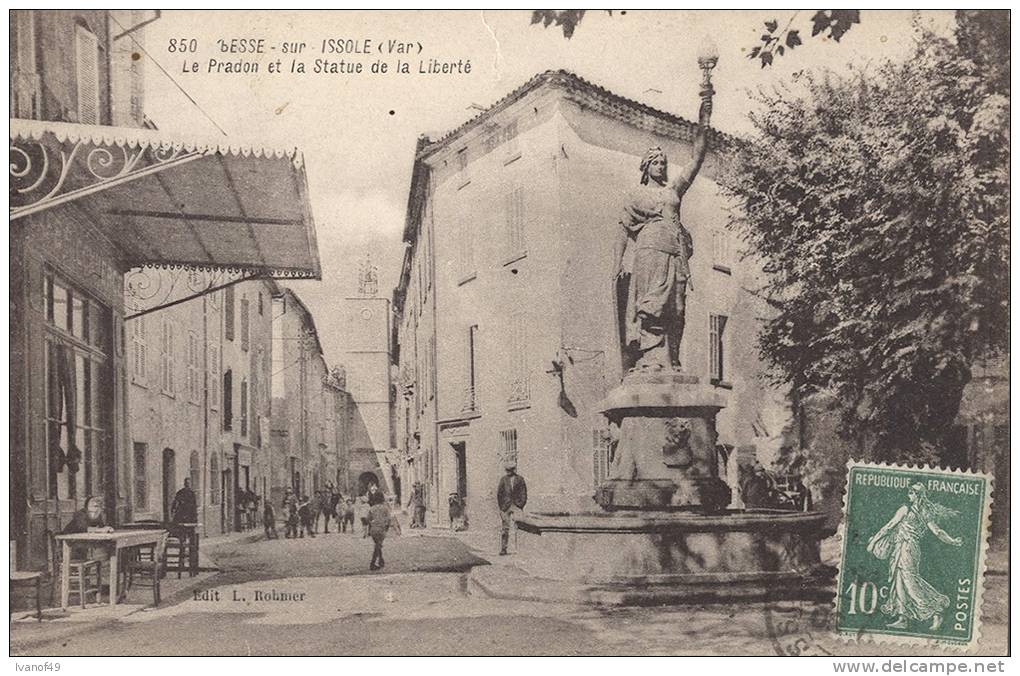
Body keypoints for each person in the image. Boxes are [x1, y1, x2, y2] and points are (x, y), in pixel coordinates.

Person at [612, 72, 714, 372]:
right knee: (651, 309)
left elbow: (696, 159)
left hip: (675, 255)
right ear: (646, 167)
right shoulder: (636, 195)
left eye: (664, 163)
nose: (661, 166)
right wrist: (616, 263)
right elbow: (622, 228)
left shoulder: (673, 191)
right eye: (656, 163)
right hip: (649, 254)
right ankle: (649, 360)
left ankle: (673, 359)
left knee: (678, 309)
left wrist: (704, 114)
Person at [867, 483, 962, 631]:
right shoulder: (924, 512)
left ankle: (936, 611)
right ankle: (903, 618)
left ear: (918, 495)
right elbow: (937, 532)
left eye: (911, 493)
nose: (908, 495)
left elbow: (889, 526)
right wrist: (952, 541)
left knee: (910, 581)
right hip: (902, 548)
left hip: (907, 548)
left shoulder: (907, 510)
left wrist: (873, 542)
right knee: (899, 581)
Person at [496, 461, 528, 555]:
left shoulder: (520, 479)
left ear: (513, 470)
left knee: (519, 526)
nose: (508, 471)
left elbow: (524, 493)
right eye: (507, 470)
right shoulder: (503, 480)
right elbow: (499, 494)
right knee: (505, 528)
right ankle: (503, 548)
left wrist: (521, 504)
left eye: (510, 470)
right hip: (505, 507)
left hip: (517, 506)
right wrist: (501, 507)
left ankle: (520, 549)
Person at [367, 491, 391, 570]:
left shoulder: (372, 508)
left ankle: (381, 560)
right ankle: (372, 563)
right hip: (381, 528)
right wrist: (386, 528)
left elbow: (368, 519)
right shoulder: (385, 508)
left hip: (373, 529)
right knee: (378, 545)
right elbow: (388, 519)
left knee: (378, 544)